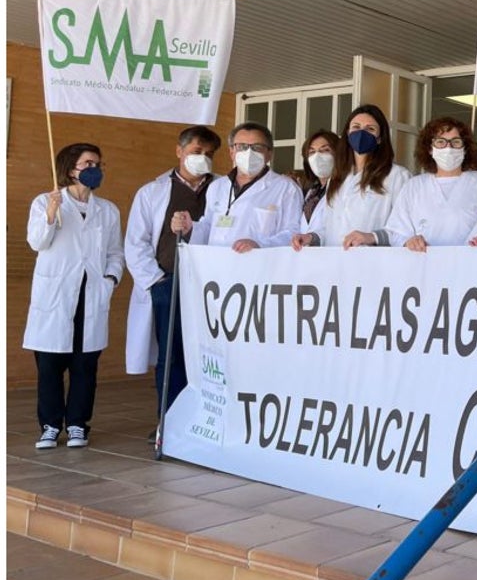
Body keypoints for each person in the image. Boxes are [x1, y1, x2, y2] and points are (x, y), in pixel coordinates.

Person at [25, 143, 124, 450]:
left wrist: (110, 279)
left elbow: (115, 252)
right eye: (88, 163)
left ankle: (79, 424)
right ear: (71, 169)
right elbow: (37, 242)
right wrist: (52, 213)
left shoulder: (107, 210)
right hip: (55, 297)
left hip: (91, 295)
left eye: (98, 163)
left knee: (85, 366)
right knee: (50, 366)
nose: (95, 168)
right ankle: (51, 426)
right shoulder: (45, 201)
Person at [124, 126, 221, 429]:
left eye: (208, 154)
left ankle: (206, 423)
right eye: (195, 152)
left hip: (213, 287)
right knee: (172, 357)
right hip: (169, 283)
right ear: (179, 152)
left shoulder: (221, 189)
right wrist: (156, 282)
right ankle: (169, 424)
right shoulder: (152, 192)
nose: (201, 158)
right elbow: (135, 242)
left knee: (211, 356)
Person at [292, 106, 409, 250]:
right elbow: (329, 227)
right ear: (347, 134)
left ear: (380, 138)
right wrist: (311, 237)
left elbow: (404, 228)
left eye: (370, 129)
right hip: (336, 262)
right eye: (356, 127)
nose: (361, 133)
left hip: (372, 263)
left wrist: (371, 236)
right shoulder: (337, 177)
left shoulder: (397, 176)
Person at [172, 122, 303, 250]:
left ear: (269, 154)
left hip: (259, 266)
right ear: (232, 152)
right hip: (217, 264)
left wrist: (261, 245)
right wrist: (189, 228)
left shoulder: (286, 188)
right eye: (242, 147)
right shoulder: (217, 186)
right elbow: (209, 227)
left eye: (257, 147)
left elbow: (293, 232)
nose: (249, 153)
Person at [387, 116, 477, 250]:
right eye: (440, 142)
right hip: (425, 265)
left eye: (456, 142)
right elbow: (396, 232)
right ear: (430, 149)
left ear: (465, 148)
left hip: (471, 266)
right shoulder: (413, 186)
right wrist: (409, 241)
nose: (448, 148)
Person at [299, 129, 339, 234]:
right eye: (311, 152)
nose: (317, 156)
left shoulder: (345, 188)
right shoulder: (312, 191)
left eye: (325, 150)